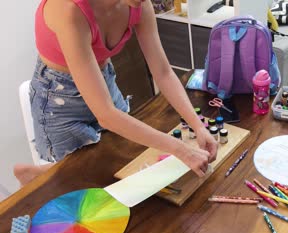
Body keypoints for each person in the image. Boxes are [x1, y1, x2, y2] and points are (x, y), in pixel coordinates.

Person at [14, 0, 218, 186]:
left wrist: (198, 126)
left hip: (103, 81)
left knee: (120, 158)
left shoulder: (139, 4)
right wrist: (181, 149)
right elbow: (107, 115)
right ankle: (43, 176)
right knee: (81, 186)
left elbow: (163, 73)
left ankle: (42, 172)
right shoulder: (68, 9)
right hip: (59, 101)